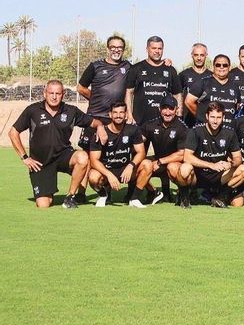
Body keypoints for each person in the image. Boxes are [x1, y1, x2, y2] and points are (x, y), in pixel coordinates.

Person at [9, 80, 106, 209]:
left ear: (63, 94)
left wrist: (100, 127)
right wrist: (25, 157)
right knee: (44, 204)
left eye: (58, 93)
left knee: (82, 157)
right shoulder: (33, 110)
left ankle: (70, 197)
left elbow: (94, 122)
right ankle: (48, 191)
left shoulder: (71, 111)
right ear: (45, 93)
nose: (54, 97)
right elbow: (13, 132)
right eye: (51, 93)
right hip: (40, 163)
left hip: (63, 156)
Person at [178, 102, 244, 208]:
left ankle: (220, 198)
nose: (215, 121)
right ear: (207, 116)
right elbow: (187, 157)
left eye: (218, 117)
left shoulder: (229, 133)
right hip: (199, 175)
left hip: (219, 176)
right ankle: (185, 199)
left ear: (223, 117)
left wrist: (230, 164)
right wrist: (211, 165)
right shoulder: (195, 131)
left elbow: (238, 158)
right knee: (185, 168)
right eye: (212, 117)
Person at [76, 35, 131, 151]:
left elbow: (146, 67)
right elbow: (80, 88)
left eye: (120, 47)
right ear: (107, 49)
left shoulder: (128, 67)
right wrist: (96, 97)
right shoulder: (95, 66)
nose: (116, 50)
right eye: (113, 47)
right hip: (95, 117)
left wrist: (165, 61)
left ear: (123, 50)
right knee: (88, 156)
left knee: (113, 156)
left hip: (115, 119)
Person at [87, 101, 147, 208]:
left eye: (121, 112)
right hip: (107, 170)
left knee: (147, 164)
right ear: (110, 114)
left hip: (125, 169)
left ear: (126, 114)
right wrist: (109, 175)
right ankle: (103, 195)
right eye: (115, 112)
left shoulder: (133, 130)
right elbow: (94, 160)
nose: (118, 115)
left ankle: (134, 198)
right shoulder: (101, 133)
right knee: (93, 176)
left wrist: (131, 165)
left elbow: (141, 152)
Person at [136, 96, 188, 206]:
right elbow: (138, 141)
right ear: (159, 109)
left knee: (173, 168)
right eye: (164, 108)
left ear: (176, 110)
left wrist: (160, 161)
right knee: (136, 165)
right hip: (157, 159)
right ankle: (153, 192)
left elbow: (182, 154)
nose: (167, 112)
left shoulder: (182, 128)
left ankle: (183, 194)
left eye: (171, 109)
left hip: (174, 162)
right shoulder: (151, 124)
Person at [125, 36, 182, 126]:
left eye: (160, 48)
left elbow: (177, 94)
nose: (157, 51)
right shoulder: (136, 68)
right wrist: (129, 115)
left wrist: (178, 115)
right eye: (154, 48)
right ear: (147, 49)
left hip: (163, 124)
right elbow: (129, 92)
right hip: (140, 122)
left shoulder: (170, 70)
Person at [184, 54, 241, 126]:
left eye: (225, 65)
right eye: (218, 65)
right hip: (207, 130)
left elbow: (237, 106)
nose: (221, 67)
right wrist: (203, 119)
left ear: (229, 67)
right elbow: (188, 101)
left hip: (227, 131)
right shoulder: (203, 82)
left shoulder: (235, 86)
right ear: (213, 66)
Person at [178, 43, 211, 127]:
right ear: (192, 55)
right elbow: (178, 96)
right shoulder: (183, 75)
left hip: (206, 123)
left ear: (206, 55)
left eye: (202, 55)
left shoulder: (212, 76)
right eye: (196, 55)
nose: (199, 58)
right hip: (187, 122)